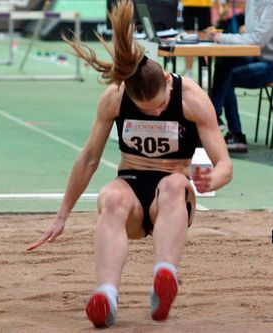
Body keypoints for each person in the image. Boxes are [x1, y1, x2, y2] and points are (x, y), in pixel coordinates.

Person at [27, 0, 233, 328]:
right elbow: (89, 158)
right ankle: (106, 295)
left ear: (168, 81)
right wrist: (61, 215)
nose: (154, 113)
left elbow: (225, 163)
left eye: (160, 107)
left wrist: (213, 179)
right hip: (133, 190)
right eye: (145, 109)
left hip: (171, 198)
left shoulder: (191, 98)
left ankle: (164, 276)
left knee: (174, 185)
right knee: (111, 196)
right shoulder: (115, 97)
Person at [207, 0, 273, 153]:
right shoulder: (252, 2)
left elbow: (257, 39)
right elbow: (250, 37)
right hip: (262, 58)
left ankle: (236, 135)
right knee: (224, 62)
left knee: (231, 76)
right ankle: (214, 116)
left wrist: (222, 37)